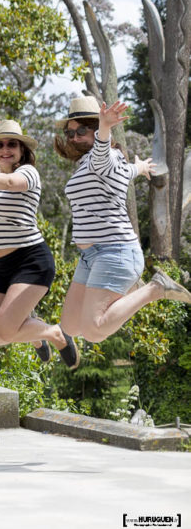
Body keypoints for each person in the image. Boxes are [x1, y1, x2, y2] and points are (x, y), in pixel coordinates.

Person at [55, 96, 191, 349]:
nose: (73, 138)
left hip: (114, 252)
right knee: (70, 326)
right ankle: (133, 286)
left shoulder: (102, 156)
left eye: (81, 130)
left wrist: (105, 127)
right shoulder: (97, 162)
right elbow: (121, 173)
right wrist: (138, 168)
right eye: (70, 132)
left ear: (95, 129)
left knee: (94, 331)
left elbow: (102, 156)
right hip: (91, 256)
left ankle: (156, 288)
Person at [0, 103, 76, 367]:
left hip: (30, 261)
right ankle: (35, 335)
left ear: (22, 151)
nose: (5, 149)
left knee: (6, 329)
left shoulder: (27, 173)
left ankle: (54, 332)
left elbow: (11, 185)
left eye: (12, 144)